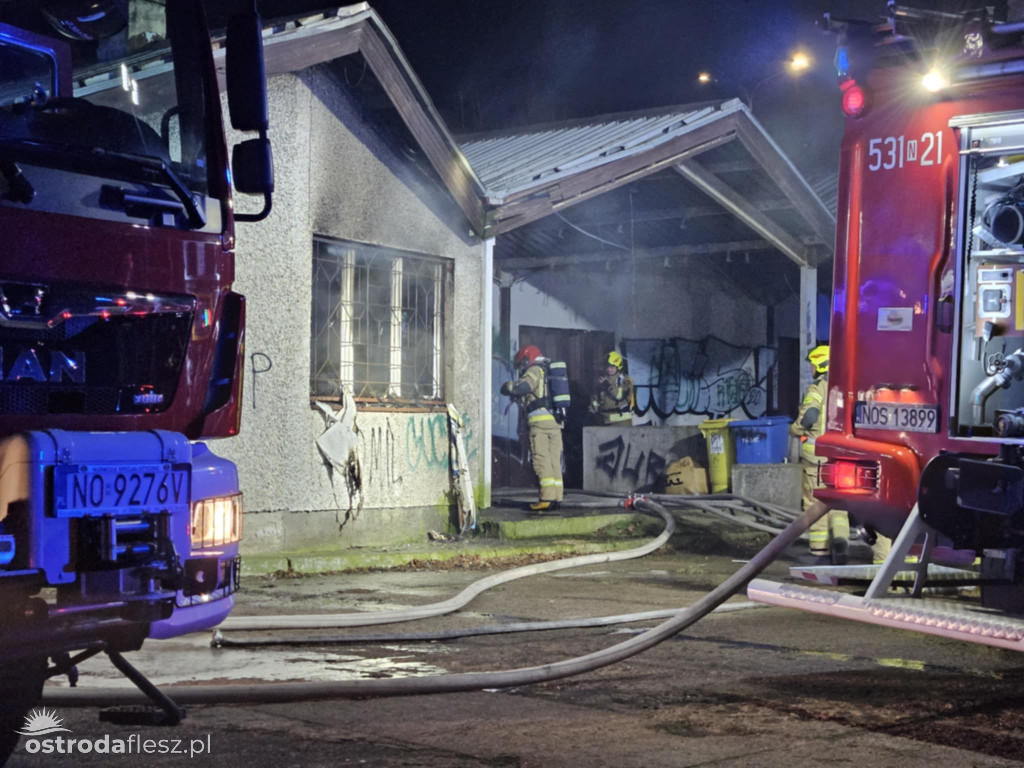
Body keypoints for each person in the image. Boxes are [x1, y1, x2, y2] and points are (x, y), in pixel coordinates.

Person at [790, 344, 851, 563]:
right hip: (842, 457)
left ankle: (820, 553)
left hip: (816, 459)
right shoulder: (846, 388)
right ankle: (842, 543)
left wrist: (796, 428)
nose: (810, 370)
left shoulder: (817, 389)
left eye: (812, 366)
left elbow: (809, 417)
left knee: (816, 504)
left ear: (820, 364)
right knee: (840, 503)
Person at [501, 345, 563, 511]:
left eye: (522, 363)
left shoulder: (534, 370)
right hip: (555, 422)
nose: (522, 367)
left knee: (541, 459)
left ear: (528, 359)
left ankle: (546, 498)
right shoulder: (547, 371)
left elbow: (524, 387)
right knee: (554, 460)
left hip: (539, 423)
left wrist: (508, 387)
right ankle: (557, 497)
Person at [590, 351, 634, 425]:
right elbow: (596, 399)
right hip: (605, 420)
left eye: (612, 367)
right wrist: (592, 412)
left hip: (622, 421)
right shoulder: (602, 380)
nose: (609, 369)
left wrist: (608, 386)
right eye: (607, 367)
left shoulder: (625, 380)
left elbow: (619, 397)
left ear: (618, 366)